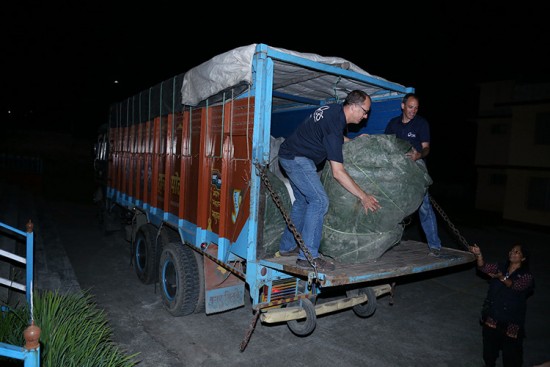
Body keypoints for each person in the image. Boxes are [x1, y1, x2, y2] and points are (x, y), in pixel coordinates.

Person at [277, 90, 381, 271]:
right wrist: (363, 196)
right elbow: (338, 173)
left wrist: (353, 141)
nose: (365, 117)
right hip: (297, 158)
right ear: (355, 107)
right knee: (319, 200)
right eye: (365, 111)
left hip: (289, 154)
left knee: (302, 201)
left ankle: (287, 247)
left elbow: (333, 136)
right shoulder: (334, 123)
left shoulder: (334, 111)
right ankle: (308, 257)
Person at [384, 93, 442, 256]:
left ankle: (435, 245)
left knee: (424, 206)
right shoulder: (393, 124)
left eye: (416, 108)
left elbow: (426, 148)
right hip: (397, 167)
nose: (413, 111)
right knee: (391, 205)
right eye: (410, 107)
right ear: (403, 106)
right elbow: (386, 145)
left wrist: (419, 155)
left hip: (415, 165)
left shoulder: (421, 123)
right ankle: (389, 243)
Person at [469, 243, 535, 367]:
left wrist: (502, 278)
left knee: (511, 357)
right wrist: (478, 255)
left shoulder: (526, 276)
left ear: (523, 258)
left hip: (511, 321)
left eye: (517, 252)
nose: (512, 253)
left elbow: (516, 286)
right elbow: (483, 267)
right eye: (511, 250)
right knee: (489, 352)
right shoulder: (501, 266)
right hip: (493, 315)